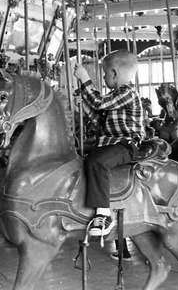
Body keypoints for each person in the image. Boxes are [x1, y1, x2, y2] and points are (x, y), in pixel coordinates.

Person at [74, 49, 145, 238]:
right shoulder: (115, 97)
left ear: (114, 73)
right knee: (86, 158)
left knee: (97, 162)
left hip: (126, 145)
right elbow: (99, 121)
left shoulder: (127, 93)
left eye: (105, 74)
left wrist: (85, 79)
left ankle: (103, 214)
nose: (104, 77)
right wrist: (83, 101)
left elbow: (99, 103)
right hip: (110, 144)